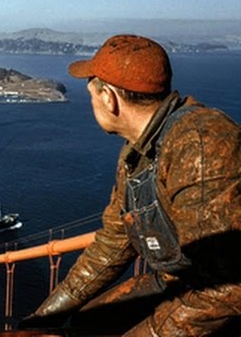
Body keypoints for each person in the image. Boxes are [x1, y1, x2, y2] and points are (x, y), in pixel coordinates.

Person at [20, 35, 241, 336]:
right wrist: (43, 318)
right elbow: (115, 240)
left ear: (109, 98)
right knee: (88, 322)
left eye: (92, 95)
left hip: (217, 297)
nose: (92, 104)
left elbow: (225, 291)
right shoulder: (136, 152)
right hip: (183, 282)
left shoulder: (200, 143)